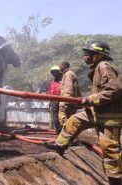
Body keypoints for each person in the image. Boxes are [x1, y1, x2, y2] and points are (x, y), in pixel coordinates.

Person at [44, 41, 122, 185]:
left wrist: (91, 99)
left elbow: (115, 90)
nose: (84, 56)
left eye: (88, 54)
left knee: (109, 148)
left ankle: (115, 180)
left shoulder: (104, 67)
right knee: (74, 121)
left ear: (98, 55)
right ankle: (59, 147)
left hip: (109, 117)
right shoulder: (97, 68)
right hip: (97, 111)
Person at [58, 61, 82, 127]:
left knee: (65, 122)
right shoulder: (70, 74)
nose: (59, 67)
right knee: (69, 123)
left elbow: (68, 89)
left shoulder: (68, 74)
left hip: (67, 103)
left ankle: (68, 137)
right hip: (71, 103)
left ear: (65, 66)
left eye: (60, 66)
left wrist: (65, 103)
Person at [46, 65, 62, 135]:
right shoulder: (52, 83)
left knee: (63, 116)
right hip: (54, 100)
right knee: (55, 117)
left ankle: (64, 131)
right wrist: (49, 103)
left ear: (59, 73)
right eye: (53, 73)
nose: (54, 74)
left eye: (56, 72)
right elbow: (50, 94)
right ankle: (59, 131)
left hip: (62, 100)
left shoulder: (63, 82)